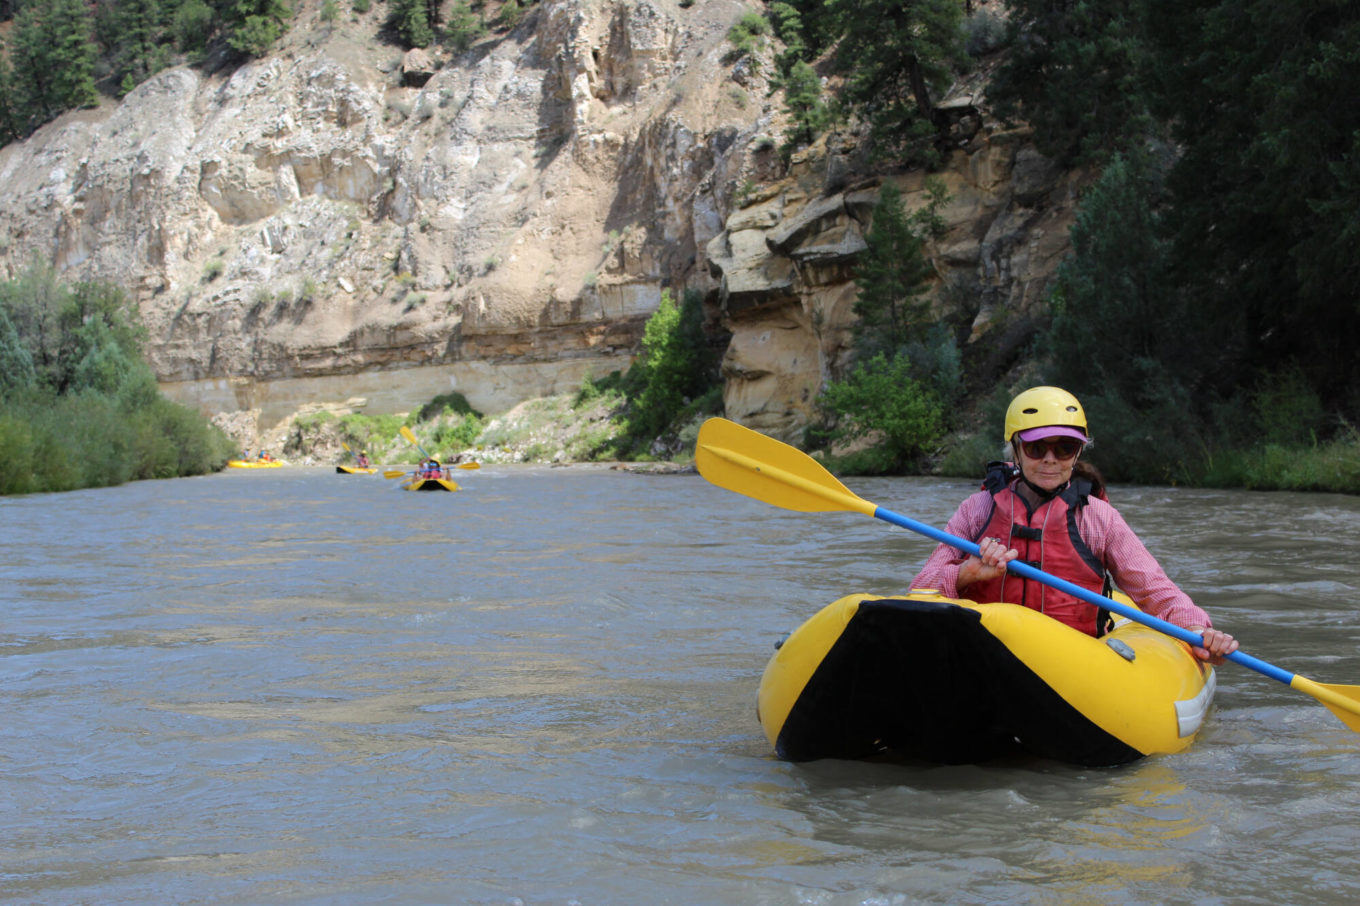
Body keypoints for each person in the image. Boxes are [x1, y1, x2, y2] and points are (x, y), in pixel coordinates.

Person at [911, 386, 1239, 665]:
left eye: (1065, 448)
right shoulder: (977, 510)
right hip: (985, 652)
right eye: (1037, 448)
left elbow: (1156, 592)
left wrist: (1199, 631)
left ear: (1078, 450)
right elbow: (921, 589)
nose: (1051, 459)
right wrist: (966, 573)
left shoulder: (1098, 518)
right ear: (1016, 449)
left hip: (1072, 664)